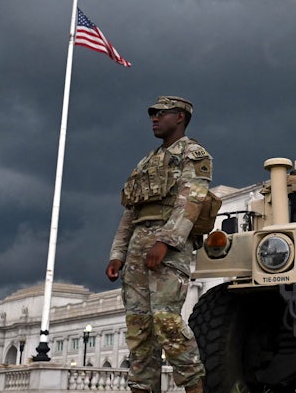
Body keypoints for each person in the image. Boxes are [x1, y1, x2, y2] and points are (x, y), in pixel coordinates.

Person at [106, 96, 211, 393]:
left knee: (167, 322)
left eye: (160, 113)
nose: (153, 118)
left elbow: (191, 202)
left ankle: (194, 386)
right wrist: (118, 254)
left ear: (179, 117)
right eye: (152, 113)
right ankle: (141, 388)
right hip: (138, 248)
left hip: (168, 248)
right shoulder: (146, 162)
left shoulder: (193, 154)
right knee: (139, 328)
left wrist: (165, 242)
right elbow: (130, 212)